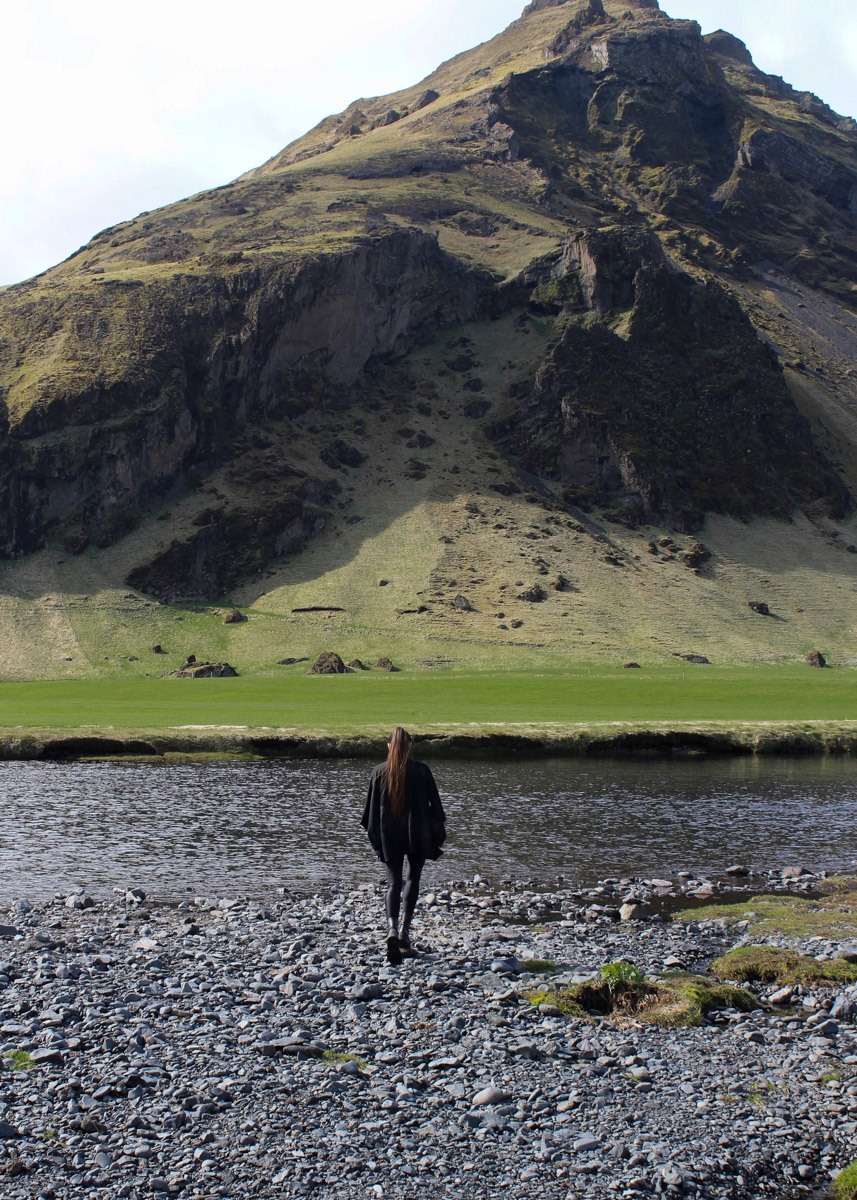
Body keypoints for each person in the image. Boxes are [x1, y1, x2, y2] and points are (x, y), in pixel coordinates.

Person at [361, 727, 446, 965]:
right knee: (412, 879)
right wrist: (437, 836)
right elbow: (437, 810)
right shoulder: (422, 771)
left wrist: (377, 840)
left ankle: (391, 928)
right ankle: (405, 933)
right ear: (410, 746)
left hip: (390, 835)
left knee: (393, 883)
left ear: (389, 746)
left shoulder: (378, 772)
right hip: (418, 834)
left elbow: (370, 815)